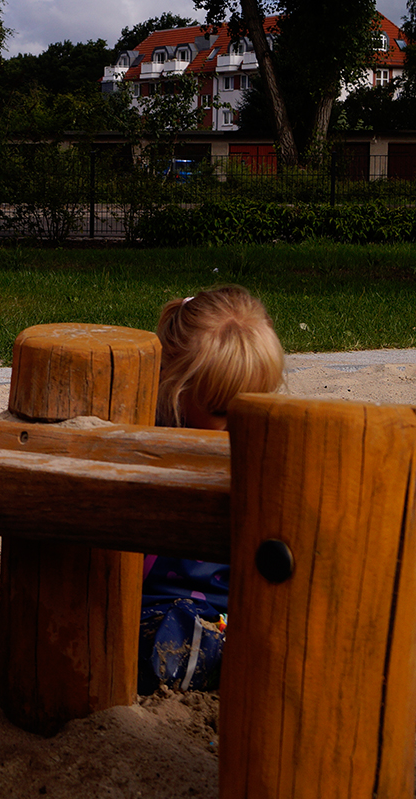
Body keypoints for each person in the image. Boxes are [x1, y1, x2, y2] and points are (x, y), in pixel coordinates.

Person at [138, 284, 285, 694]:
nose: (239, 423)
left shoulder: (260, 449)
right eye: (222, 410)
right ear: (174, 389)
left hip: (226, 612)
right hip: (152, 604)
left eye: (257, 404)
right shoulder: (147, 442)